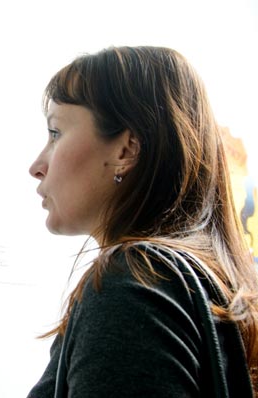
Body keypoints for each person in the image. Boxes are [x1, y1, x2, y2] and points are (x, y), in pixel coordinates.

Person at [27, 46, 258, 397]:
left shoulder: (134, 282)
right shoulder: (212, 276)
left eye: (55, 133)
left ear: (126, 150)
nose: (37, 166)